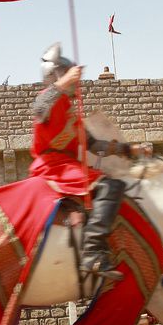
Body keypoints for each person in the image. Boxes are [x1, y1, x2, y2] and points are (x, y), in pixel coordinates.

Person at [30, 43, 147, 282]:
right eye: (68, 74)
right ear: (56, 75)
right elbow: (39, 109)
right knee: (110, 187)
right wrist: (61, 85)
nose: (75, 82)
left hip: (69, 167)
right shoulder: (48, 100)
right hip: (53, 166)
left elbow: (94, 145)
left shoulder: (73, 114)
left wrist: (126, 149)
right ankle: (92, 251)